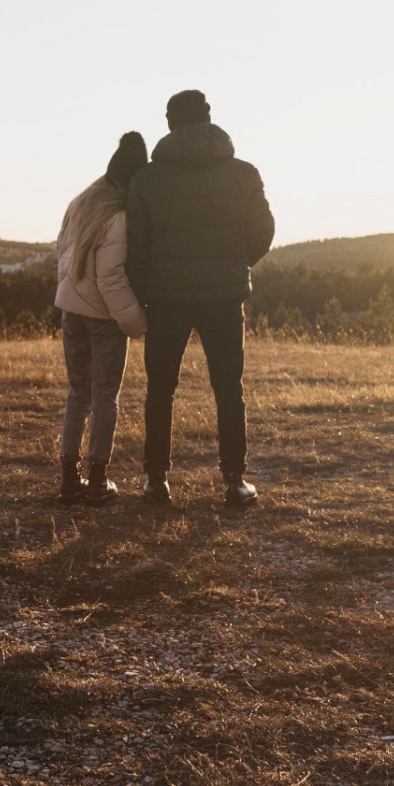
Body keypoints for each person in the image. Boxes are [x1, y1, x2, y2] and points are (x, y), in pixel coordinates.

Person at [125, 90, 275, 506]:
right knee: (229, 388)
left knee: (160, 389)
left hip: (166, 298)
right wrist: (233, 263)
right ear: (208, 119)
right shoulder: (244, 173)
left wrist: (146, 288)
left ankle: (156, 481)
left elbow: (136, 245)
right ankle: (234, 483)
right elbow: (263, 231)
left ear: (170, 123)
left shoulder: (146, 178)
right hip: (224, 297)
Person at [54, 131, 149, 505]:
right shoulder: (118, 215)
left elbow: (62, 255)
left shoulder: (82, 202)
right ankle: (96, 480)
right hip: (103, 317)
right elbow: (111, 279)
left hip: (70, 310)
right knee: (105, 397)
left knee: (78, 394)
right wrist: (137, 323)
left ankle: (67, 477)